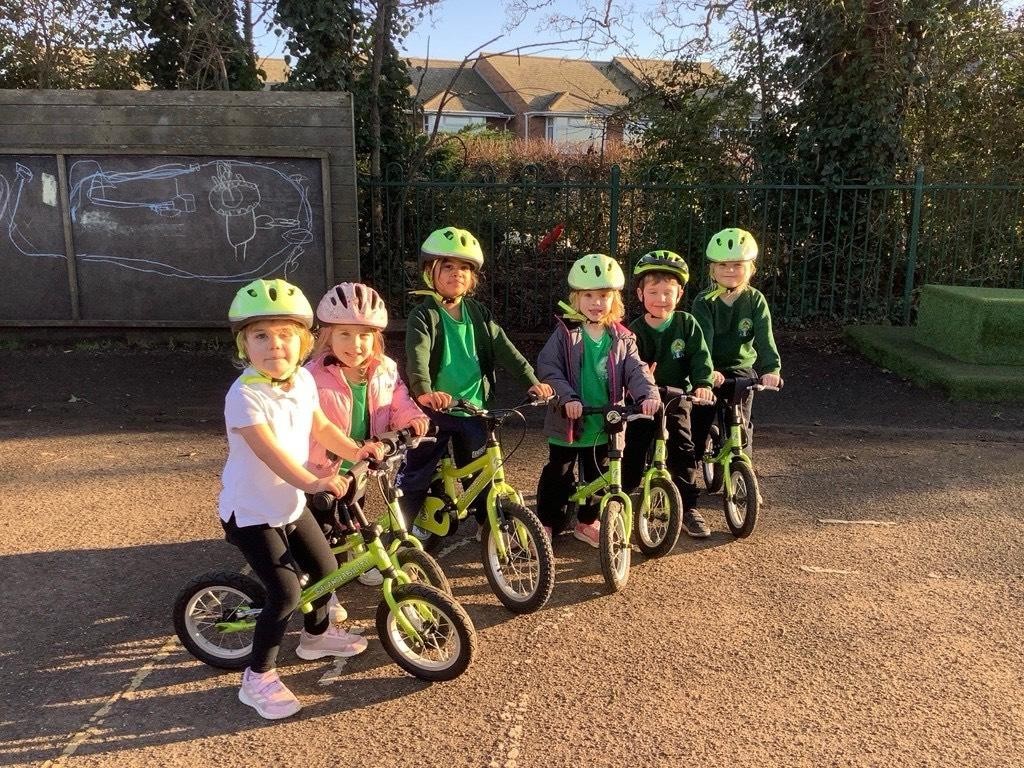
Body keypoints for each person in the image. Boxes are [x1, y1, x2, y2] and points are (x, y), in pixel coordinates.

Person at [219, 278, 385, 720]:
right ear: (243, 345)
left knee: (327, 569)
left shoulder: (302, 382)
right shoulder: (244, 396)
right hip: (251, 513)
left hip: (289, 503)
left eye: (285, 335)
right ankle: (257, 677)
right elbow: (271, 455)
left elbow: (321, 428)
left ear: (304, 343)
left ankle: (316, 636)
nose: (275, 345)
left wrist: (357, 451)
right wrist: (314, 482)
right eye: (261, 336)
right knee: (286, 592)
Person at [397, 226, 552, 529]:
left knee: (480, 472)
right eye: (448, 266)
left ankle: (489, 526)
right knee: (417, 473)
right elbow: (418, 355)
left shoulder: (478, 313)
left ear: (472, 278)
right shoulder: (424, 315)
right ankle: (400, 532)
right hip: (435, 410)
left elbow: (506, 349)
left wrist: (532, 382)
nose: (457, 273)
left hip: (473, 408)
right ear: (430, 272)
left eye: (464, 268)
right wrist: (424, 391)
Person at [306, 282, 430, 585]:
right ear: (327, 335)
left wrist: (413, 418)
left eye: (364, 335)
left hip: (362, 462)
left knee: (354, 513)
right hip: (320, 468)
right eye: (345, 334)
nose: (356, 344)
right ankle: (324, 586)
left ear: (375, 337)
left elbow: (397, 401)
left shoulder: (384, 368)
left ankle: (358, 558)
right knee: (324, 530)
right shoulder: (311, 376)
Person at [535, 253, 659, 546]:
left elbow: (637, 369)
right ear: (576, 299)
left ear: (614, 299)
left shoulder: (622, 337)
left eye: (603, 295)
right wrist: (567, 397)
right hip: (569, 421)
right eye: (588, 295)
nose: (596, 302)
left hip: (604, 421)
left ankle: (587, 521)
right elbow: (549, 368)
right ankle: (547, 522)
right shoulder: (565, 333)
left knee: (599, 475)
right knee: (558, 474)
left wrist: (648, 394)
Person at [621, 250, 716, 538]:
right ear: (640, 294)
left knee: (683, 449)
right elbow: (628, 364)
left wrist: (702, 383)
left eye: (668, 293)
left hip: (676, 397)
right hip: (643, 400)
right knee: (634, 447)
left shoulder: (686, 324)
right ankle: (622, 498)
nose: (661, 299)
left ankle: (688, 507)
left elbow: (700, 357)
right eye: (653, 292)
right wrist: (638, 382)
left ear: (680, 294)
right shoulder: (634, 331)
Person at [690, 228, 783, 463]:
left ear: (750, 268)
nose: (730, 270)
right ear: (712, 269)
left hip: (741, 370)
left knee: (740, 425)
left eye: (737, 265)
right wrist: (706, 372)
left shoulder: (754, 299)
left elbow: (765, 337)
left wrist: (771, 369)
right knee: (699, 422)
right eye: (723, 265)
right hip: (709, 369)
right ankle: (689, 469)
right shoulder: (704, 301)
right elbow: (703, 341)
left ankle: (742, 468)